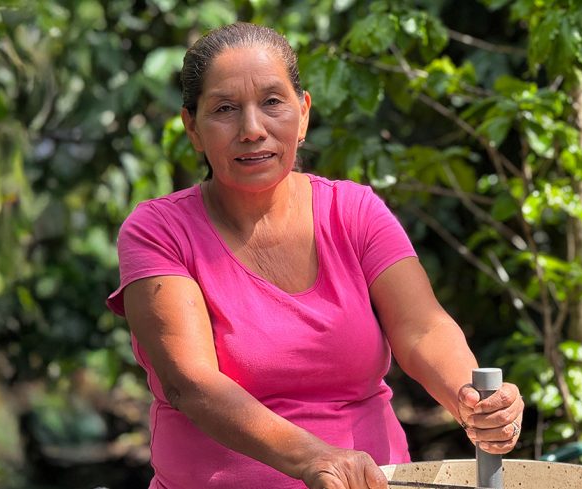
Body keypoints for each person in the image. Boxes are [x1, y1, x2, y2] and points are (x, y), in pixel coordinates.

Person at [106, 22, 524, 489]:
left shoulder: (355, 211)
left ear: (303, 114)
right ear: (193, 127)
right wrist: (314, 458)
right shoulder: (160, 231)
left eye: (272, 102)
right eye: (225, 109)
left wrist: (472, 400)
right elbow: (191, 384)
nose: (252, 130)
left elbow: (423, 328)